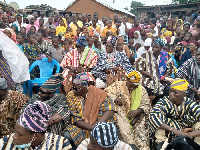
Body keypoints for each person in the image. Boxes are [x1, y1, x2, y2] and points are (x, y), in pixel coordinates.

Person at [64, 73, 117, 147]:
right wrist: (91, 128)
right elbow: (75, 118)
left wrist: (98, 124)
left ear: (85, 88)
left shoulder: (98, 93)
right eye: (72, 87)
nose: (73, 90)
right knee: (68, 133)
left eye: (76, 88)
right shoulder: (71, 95)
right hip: (84, 126)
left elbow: (111, 108)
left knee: (107, 130)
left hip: (100, 123)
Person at [147, 79, 200, 149]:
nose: (171, 94)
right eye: (170, 91)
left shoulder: (189, 103)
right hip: (170, 131)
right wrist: (175, 131)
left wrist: (190, 134)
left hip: (185, 130)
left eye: (175, 92)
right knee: (159, 127)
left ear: (184, 94)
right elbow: (153, 116)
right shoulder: (164, 101)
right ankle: (161, 146)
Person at [105, 71, 151, 150]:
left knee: (141, 135)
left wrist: (138, 111)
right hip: (121, 116)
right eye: (131, 86)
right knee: (124, 130)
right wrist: (114, 98)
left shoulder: (141, 90)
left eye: (135, 87)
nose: (132, 88)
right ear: (127, 79)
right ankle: (130, 145)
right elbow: (105, 93)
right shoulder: (118, 85)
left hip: (137, 118)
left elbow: (147, 104)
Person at [0, 101, 72, 149]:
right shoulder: (4, 143)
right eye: (15, 131)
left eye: (19, 134)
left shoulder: (61, 144)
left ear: (36, 136)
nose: (14, 137)